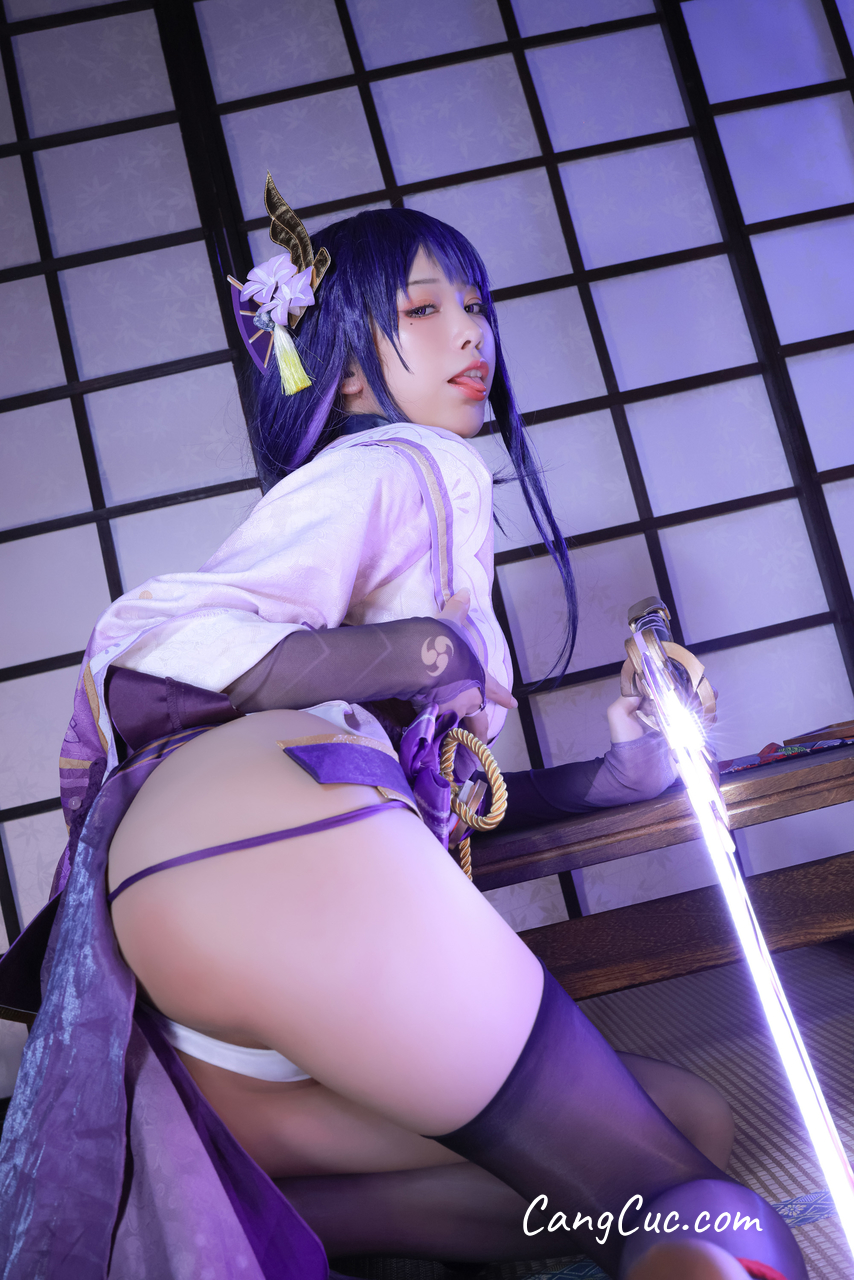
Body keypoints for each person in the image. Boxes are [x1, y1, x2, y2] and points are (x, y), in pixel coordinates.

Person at [0, 194, 805, 1280]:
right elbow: (156, 646)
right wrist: (428, 652)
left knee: (691, 1120)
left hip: (185, 947)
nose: (471, 333)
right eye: (423, 309)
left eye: (475, 305)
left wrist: (621, 772)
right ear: (342, 375)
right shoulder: (400, 465)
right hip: (288, 837)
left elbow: (435, 803)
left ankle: (298, 1215)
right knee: (668, 1189)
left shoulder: (392, 497)